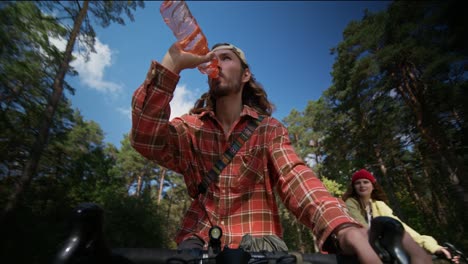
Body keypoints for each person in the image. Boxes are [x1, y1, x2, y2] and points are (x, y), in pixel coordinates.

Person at [129, 41, 429, 263]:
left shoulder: (268, 129)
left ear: (245, 75)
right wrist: (172, 62)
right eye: (211, 59)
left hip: (261, 248)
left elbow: (295, 177)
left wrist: (343, 227)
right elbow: (145, 137)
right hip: (195, 247)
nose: (216, 63)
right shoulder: (190, 128)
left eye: (226, 58)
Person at [343, 168, 459, 263]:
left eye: (365, 182)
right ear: (354, 187)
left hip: (385, 244)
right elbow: (361, 225)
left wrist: (433, 247)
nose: (362, 185)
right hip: (361, 244)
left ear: (373, 186)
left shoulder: (379, 204)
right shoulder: (350, 203)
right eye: (358, 183)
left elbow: (399, 226)